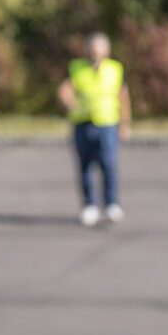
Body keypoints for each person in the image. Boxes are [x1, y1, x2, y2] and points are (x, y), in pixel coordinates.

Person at [58, 32, 132, 227]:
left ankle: (111, 204)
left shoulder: (115, 69)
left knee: (108, 164)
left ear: (106, 51)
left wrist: (125, 123)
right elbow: (65, 88)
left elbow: (123, 96)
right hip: (82, 123)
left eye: (98, 50)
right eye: (91, 50)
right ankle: (89, 205)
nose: (94, 53)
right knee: (85, 166)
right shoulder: (76, 67)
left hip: (107, 123)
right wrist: (69, 101)